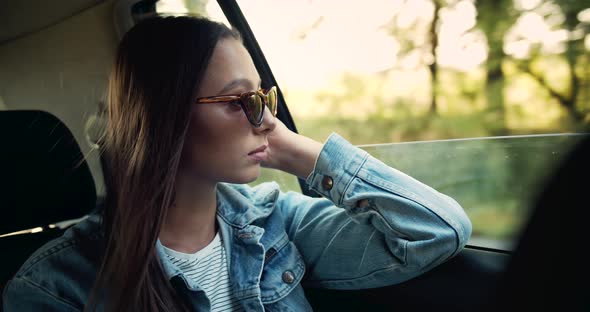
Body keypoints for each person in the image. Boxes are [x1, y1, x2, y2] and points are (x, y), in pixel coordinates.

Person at [2, 15, 472, 312]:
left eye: (263, 98)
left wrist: (304, 154)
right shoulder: (53, 288)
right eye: (239, 100)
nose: (266, 119)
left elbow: (437, 232)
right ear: (164, 115)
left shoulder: (274, 220)